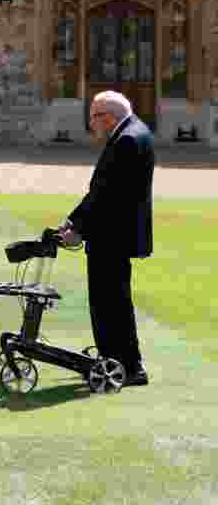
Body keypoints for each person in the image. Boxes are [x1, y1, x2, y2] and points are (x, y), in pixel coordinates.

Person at [60, 90, 153, 387]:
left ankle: (123, 364)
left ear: (107, 117)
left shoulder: (126, 140)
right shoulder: (135, 132)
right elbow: (103, 192)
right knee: (115, 302)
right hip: (116, 234)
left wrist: (77, 227)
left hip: (111, 237)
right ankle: (121, 360)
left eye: (93, 118)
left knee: (108, 304)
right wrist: (74, 221)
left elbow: (106, 196)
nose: (91, 125)